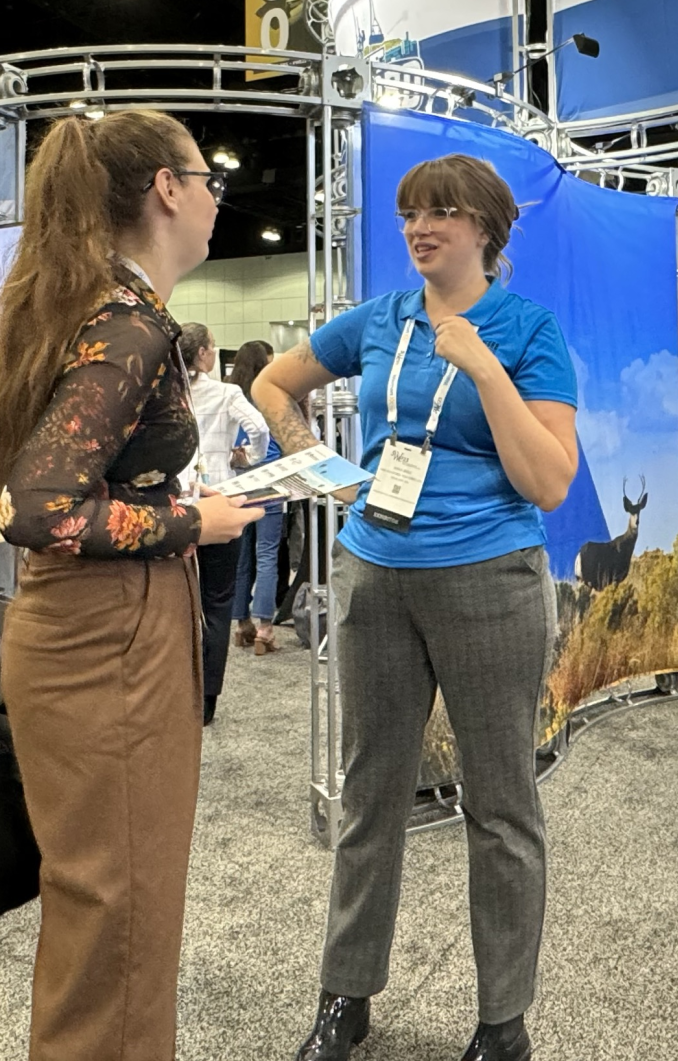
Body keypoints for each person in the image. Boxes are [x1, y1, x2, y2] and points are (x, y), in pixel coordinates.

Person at [253, 153, 578, 1061]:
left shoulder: (526, 329)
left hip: (490, 579)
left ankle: (503, 1019)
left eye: (440, 212)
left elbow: (549, 482)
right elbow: (274, 384)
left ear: (486, 228)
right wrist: (322, 470)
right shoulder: (381, 319)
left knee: (501, 802)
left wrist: (482, 368)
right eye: (409, 213)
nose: (418, 227)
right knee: (371, 792)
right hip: (374, 574)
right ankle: (344, 996)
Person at [0, 109, 262, 1061]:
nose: (215, 200)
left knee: (104, 907)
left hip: (93, 626)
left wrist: (170, 500)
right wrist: (197, 522)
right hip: (109, 635)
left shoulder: (85, 304)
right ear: (167, 189)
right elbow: (40, 508)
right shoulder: (129, 322)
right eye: (206, 179)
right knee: (124, 912)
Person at [179, 321, 269, 714]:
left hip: (179, 502)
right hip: (222, 500)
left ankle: (179, 693)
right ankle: (207, 700)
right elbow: (259, 428)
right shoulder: (227, 392)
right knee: (217, 602)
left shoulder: (169, 391)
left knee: (178, 603)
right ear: (203, 354)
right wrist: (249, 457)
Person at [229, 339, 286, 652]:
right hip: (269, 477)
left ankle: (241, 624)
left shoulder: (229, 393)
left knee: (241, 554)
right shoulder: (269, 394)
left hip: (236, 476)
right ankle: (265, 628)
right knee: (267, 553)